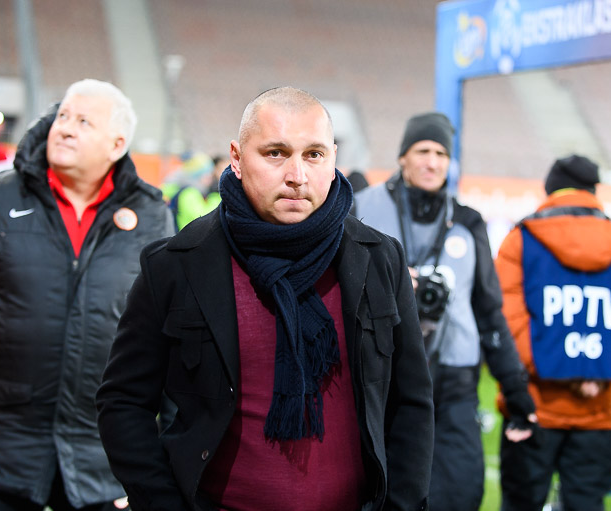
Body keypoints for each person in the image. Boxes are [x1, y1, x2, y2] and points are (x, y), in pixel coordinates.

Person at [96, 86, 435, 511]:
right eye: (276, 153)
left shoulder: (379, 259)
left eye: (314, 155)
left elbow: (412, 404)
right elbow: (123, 402)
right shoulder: (175, 265)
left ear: (333, 159)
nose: (297, 175)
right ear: (236, 158)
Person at [0, 78, 174, 510]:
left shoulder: (151, 216)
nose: (66, 128)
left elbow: (169, 332)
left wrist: (164, 450)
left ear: (117, 145)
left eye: (84, 122)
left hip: (104, 456)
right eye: (64, 117)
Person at [352, 112, 536, 511]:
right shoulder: (362, 207)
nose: (432, 162)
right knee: (384, 488)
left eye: (441, 154)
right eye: (422, 151)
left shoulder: (468, 222)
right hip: (383, 374)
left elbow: (488, 310)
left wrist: (515, 389)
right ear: (403, 157)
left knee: (460, 490)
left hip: (453, 377)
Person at [494, 155, 611, 511]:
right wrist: (600, 370)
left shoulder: (521, 239)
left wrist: (554, 366)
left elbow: (505, 319)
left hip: (532, 406)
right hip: (596, 409)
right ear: (593, 191)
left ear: (551, 189)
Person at [161, 151, 222, 231]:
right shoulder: (189, 193)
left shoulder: (191, 191)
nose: (211, 177)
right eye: (208, 174)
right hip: (186, 236)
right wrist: (217, 197)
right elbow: (203, 218)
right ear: (198, 174)